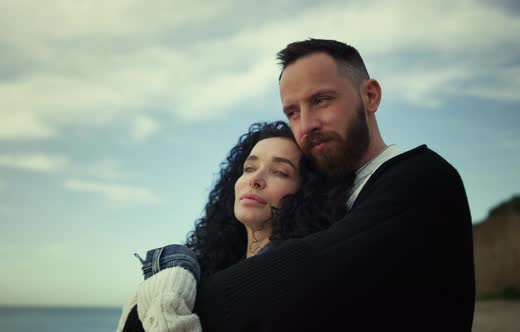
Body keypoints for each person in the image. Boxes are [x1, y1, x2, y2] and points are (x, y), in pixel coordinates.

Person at [187, 39, 475, 331]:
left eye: (321, 100)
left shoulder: (423, 179)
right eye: (293, 112)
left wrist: (178, 303)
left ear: (370, 96)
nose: (306, 125)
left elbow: (304, 269)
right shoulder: (333, 204)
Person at [117, 121, 354, 331]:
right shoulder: (191, 277)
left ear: (308, 193)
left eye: (280, 172)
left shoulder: (304, 283)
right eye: (249, 168)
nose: (255, 179)